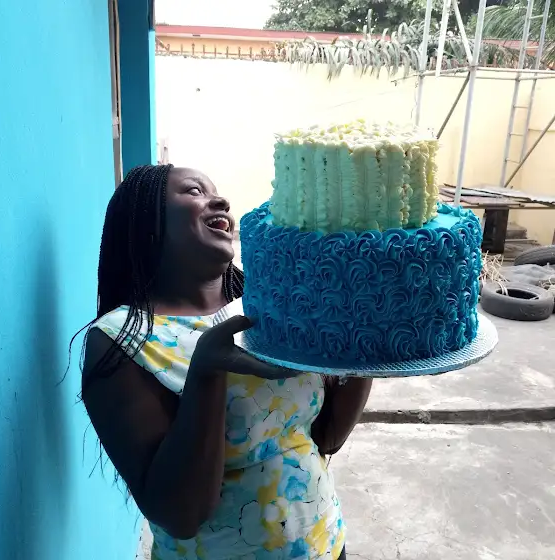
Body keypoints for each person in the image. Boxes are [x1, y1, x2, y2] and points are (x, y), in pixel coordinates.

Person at [82, 164, 373, 560]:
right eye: (194, 191)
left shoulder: (267, 306)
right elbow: (180, 515)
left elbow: (326, 438)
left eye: (215, 191)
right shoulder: (121, 340)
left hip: (328, 544)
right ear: (147, 218)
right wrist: (207, 373)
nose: (219, 200)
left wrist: (365, 345)